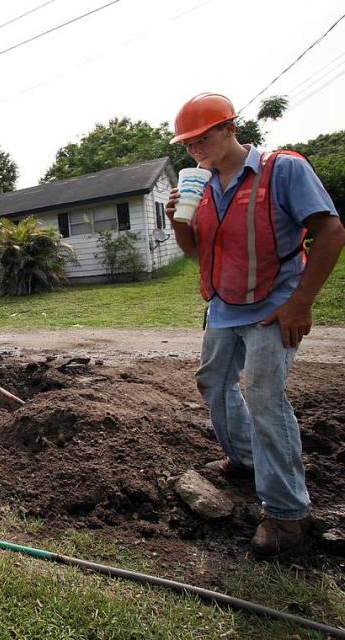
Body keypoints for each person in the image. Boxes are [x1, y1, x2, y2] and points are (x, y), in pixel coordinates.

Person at [166, 93, 345, 558]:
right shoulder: (202, 186)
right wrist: (178, 220)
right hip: (225, 305)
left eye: (204, 137)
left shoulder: (283, 169)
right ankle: (245, 460)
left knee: (264, 395)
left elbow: (331, 231)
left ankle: (287, 515)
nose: (197, 149)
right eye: (189, 144)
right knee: (214, 381)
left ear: (230, 128)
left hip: (275, 304)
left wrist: (301, 302)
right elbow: (195, 253)